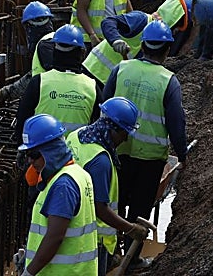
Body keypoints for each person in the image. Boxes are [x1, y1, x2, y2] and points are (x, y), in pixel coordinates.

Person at [103, 20, 188, 223]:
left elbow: (104, 105)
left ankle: (114, 242)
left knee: (114, 207)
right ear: (167, 50)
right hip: (151, 159)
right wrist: (182, 154)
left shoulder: (121, 69)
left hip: (117, 151)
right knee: (140, 213)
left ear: (142, 46)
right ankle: (132, 244)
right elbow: (176, 124)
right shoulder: (169, 81)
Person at [65, 99, 154, 275]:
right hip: (92, 239)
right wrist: (130, 228)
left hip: (68, 227)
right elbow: (100, 208)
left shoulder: (76, 135)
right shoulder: (100, 161)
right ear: (113, 129)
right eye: (124, 133)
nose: (125, 138)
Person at [19, 113, 99, 275]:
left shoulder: (63, 185)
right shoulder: (76, 173)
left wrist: (29, 272)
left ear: (51, 151)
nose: (30, 161)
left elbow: (55, 237)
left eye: (33, 155)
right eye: (27, 154)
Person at [15, 24, 100, 143]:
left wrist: (22, 147)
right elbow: (100, 126)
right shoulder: (92, 86)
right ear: (82, 53)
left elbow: (22, 120)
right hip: (77, 152)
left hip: (43, 151)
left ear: (54, 51)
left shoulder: (39, 82)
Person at [83, 0, 192, 86]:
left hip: (110, 80)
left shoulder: (157, 39)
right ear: (174, 19)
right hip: (94, 71)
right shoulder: (141, 20)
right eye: (178, 26)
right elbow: (108, 22)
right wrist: (115, 40)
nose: (176, 31)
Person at [0, 1, 58, 107]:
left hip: (51, 101)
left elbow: (48, 77)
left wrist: (6, 92)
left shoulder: (45, 46)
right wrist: (5, 92)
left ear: (29, 27)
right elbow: (33, 76)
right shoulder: (55, 40)